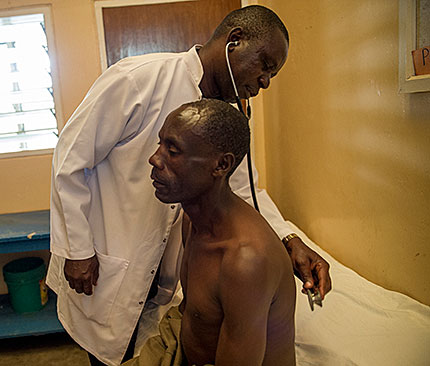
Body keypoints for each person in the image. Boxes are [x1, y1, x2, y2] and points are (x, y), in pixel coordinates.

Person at [46, 5, 329, 366]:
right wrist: (76, 249)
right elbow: (70, 160)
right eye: (265, 65)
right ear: (234, 41)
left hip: (160, 279)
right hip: (103, 262)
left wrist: (288, 239)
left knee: (142, 349)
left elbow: (242, 191)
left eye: (271, 73)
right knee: (105, 355)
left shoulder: (228, 117)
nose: (265, 81)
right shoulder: (139, 79)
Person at [124, 98, 296, 366]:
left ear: (221, 165)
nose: (155, 158)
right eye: (160, 143)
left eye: (173, 150)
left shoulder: (245, 262)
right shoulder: (192, 221)